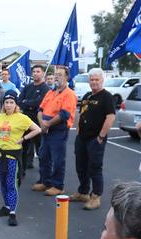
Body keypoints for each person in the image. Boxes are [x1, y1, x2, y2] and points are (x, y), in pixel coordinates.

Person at [0, 92, 41, 226]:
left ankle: (13, 212)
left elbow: (37, 129)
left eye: (11, 102)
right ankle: (7, 206)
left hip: (12, 155)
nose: (8, 105)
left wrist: (23, 139)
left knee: (11, 184)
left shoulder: (22, 118)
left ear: (16, 104)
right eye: (6, 102)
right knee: (2, 182)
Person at [72, 68, 116, 210]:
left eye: (97, 79)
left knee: (94, 167)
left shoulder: (107, 97)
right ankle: (83, 192)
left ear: (102, 80)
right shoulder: (87, 96)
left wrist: (101, 136)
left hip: (95, 138)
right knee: (81, 166)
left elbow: (110, 117)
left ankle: (96, 196)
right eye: (92, 80)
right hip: (82, 137)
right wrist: (78, 130)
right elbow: (81, 112)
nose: (94, 82)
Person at [32, 66, 77, 196]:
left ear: (67, 77)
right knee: (43, 156)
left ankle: (58, 185)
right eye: (56, 74)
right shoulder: (51, 92)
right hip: (45, 128)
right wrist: (42, 123)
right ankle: (45, 181)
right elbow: (40, 109)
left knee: (58, 159)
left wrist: (48, 124)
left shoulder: (69, 94)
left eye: (60, 74)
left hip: (58, 130)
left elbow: (64, 114)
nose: (57, 76)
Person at [18, 64, 49, 169]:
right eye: (34, 72)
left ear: (43, 73)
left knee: (40, 147)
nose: (35, 73)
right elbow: (19, 100)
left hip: (38, 120)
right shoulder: (28, 87)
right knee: (24, 145)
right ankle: (22, 170)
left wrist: (27, 102)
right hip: (26, 119)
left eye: (38, 71)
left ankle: (43, 172)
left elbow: (39, 103)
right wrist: (28, 103)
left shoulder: (46, 88)